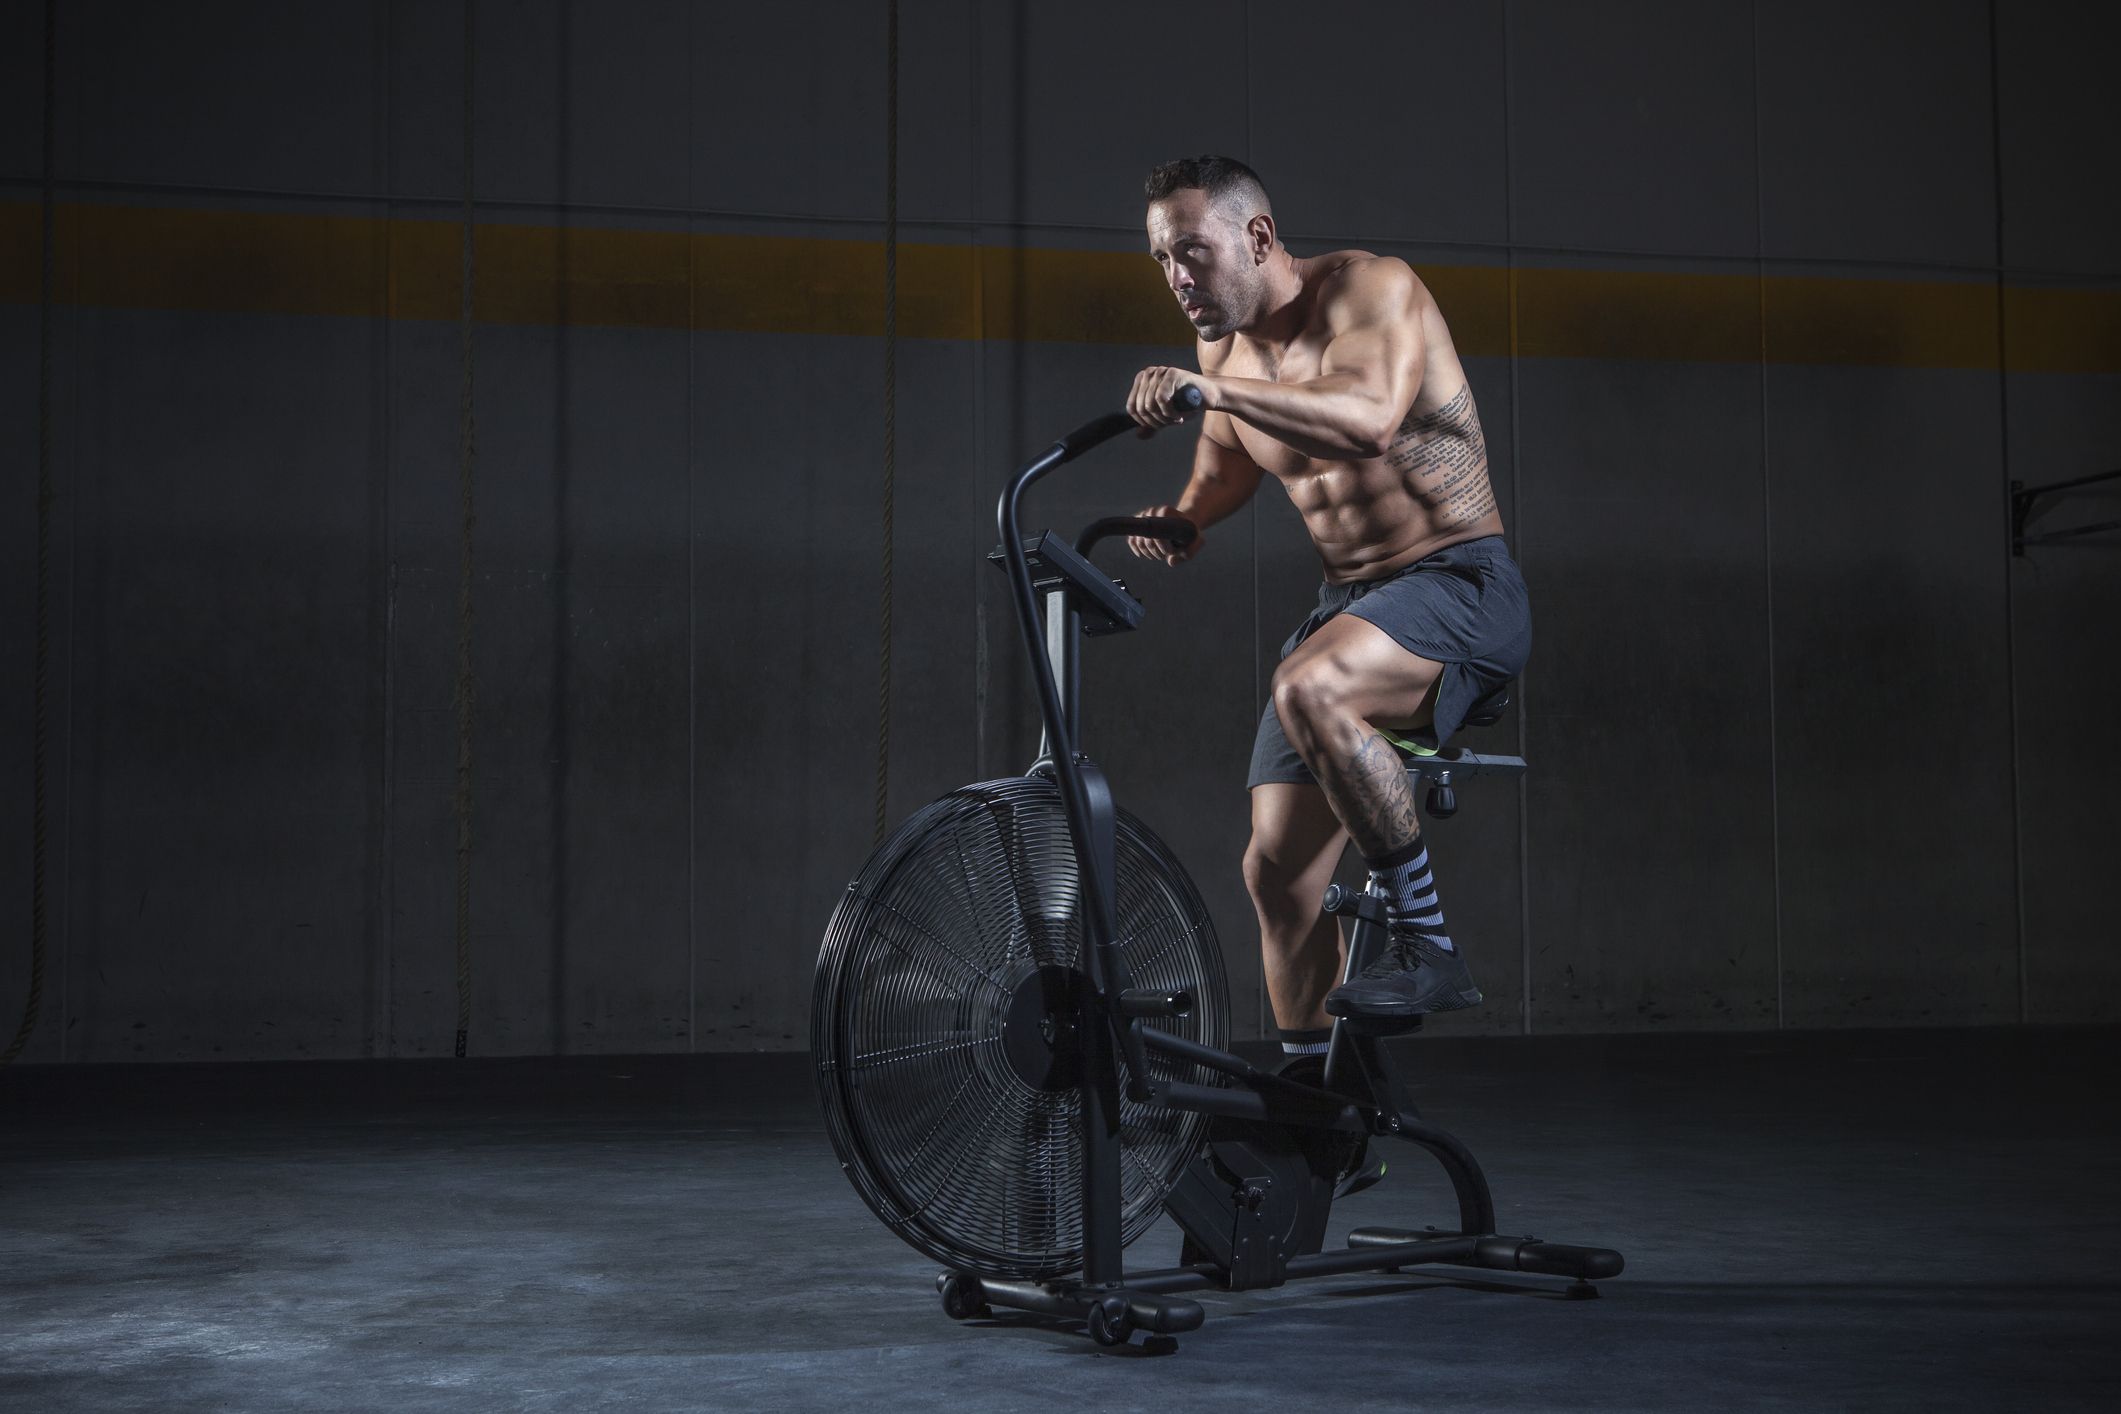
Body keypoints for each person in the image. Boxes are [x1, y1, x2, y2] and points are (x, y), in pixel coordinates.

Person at [1121, 155, 1530, 1058]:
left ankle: (1429, 944)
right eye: (1160, 259)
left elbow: (1368, 419)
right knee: (1275, 876)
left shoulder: (1369, 290)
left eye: (1191, 251)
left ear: (1257, 236)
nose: (1176, 278)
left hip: (1459, 583)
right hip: (1349, 605)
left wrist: (1207, 392)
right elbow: (1223, 467)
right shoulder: (1221, 349)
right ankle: (1323, 1102)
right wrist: (1185, 517)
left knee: (1309, 688)